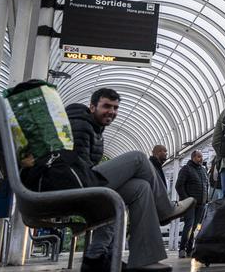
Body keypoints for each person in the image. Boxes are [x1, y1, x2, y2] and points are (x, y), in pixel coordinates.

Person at [67, 88, 194, 272]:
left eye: (115, 107)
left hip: (83, 183)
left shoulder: (94, 128)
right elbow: (76, 166)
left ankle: (143, 259)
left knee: (141, 188)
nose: (111, 111)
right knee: (138, 158)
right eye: (106, 106)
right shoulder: (80, 124)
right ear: (92, 107)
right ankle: (165, 210)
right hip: (77, 185)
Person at [175, 151, 209, 259]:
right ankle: (182, 249)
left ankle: (190, 249)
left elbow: (206, 185)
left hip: (201, 204)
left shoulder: (203, 170)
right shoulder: (186, 169)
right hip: (190, 204)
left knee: (195, 227)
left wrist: (206, 199)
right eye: (199, 157)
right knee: (189, 225)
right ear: (193, 157)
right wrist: (187, 199)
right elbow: (178, 186)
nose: (201, 159)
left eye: (201, 157)